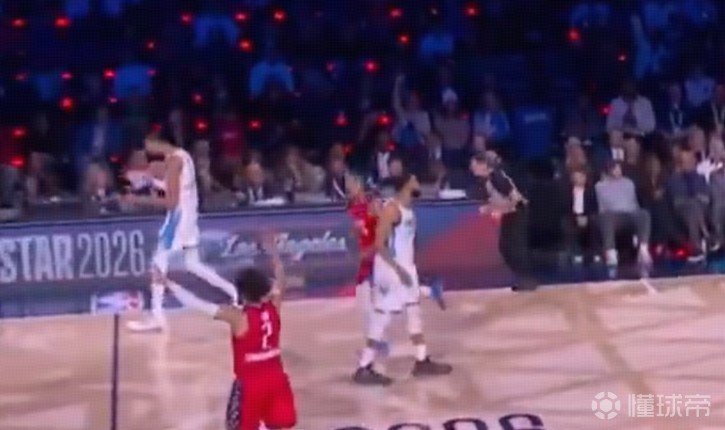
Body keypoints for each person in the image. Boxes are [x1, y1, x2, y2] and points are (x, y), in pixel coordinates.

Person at [164, 234, 297, 430]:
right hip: (276, 379)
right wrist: (273, 252)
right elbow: (282, 281)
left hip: (251, 385)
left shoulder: (238, 317)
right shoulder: (273, 308)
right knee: (276, 425)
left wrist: (170, 285)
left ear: (243, 292)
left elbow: (200, 305)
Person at [122, 132, 238, 332]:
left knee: (158, 263)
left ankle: (157, 316)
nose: (147, 149)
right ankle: (233, 291)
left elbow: (171, 202)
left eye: (148, 144)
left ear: (158, 142)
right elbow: (177, 189)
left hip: (178, 219)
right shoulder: (182, 156)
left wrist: (137, 199)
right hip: (189, 217)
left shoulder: (175, 161)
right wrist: (151, 180)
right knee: (192, 264)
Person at [353, 173, 453, 385]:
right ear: (406, 185)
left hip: (406, 268)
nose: (418, 184)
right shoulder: (392, 209)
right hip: (391, 270)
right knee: (382, 318)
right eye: (415, 180)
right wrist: (398, 270)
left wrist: (409, 269)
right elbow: (380, 244)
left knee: (414, 312)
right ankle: (364, 366)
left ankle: (422, 361)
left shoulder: (409, 210)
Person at [469, 153, 536, 291]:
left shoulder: (497, 177)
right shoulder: (487, 180)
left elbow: (515, 198)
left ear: (483, 165)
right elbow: (496, 200)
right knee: (505, 247)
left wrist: (496, 209)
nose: (472, 168)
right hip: (509, 214)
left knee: (515, 247)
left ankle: (527, 280)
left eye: (474, 165)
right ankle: (521, 278)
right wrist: (492, 208)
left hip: (517, 213)